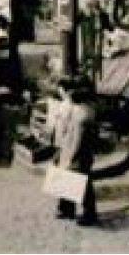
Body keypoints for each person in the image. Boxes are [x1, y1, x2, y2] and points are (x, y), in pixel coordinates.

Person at [52, 81, 98, 226]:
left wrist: (73, 154)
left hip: (79, 152)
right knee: (66, 177)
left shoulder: (83, 115)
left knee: (83, 183)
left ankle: (89, 214)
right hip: (70, 148)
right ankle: (67, 209)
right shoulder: (77, 110)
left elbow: (80, 138)